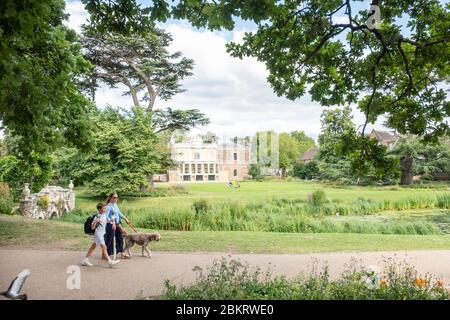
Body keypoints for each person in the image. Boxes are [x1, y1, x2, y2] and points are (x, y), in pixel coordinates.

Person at [81, 203, 120, 267]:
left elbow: (105, 222)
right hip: (98, 233)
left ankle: (85, 260)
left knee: (93, 246)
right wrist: (96, 222)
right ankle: (110, 262)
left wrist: (111, 221)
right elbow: (92, 227)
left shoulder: (104, 215)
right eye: (103, 208)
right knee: (104, 247)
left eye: (105, 208)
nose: (105, 209)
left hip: (101, 233)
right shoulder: (97, 217)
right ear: (99, 209)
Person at [104, 192, 130, 259]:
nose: (116, 199)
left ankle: (121, 253)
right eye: (114, 197)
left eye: (117, 197)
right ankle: (106, 254)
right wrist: (112, 222)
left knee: (120, 238)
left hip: (117, 224)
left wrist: (125, 219)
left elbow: (119, 213)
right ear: (110, 198)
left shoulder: (115, 205)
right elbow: (106, 217)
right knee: (110, 240)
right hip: (111, 225)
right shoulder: (108, 207)